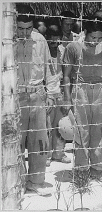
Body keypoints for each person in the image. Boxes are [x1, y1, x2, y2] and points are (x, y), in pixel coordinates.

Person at [62, 16, 102, 183]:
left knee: (100, 132)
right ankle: (81, 170)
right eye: (93, 38)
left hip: (101, 91)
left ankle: (98, 169)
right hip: (80, 91)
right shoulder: (73, 47)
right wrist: (67, 98)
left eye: (99, 38)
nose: (95, 41)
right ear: (85, 33)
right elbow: (66, 75)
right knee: (81, 131)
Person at [15, 4, 55, 196]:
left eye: (28, 28)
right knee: (15, 141)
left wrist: (52, 94)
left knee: (39, 141)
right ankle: (16, 182)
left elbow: (50, 68)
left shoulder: (40, 40)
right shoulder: (5, 41)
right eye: (20, 28)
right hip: (14, 98)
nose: (24, 32)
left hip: (38, 94)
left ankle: (36, 181)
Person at [45, 22, 71, 166]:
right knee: (47, 126)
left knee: (61, 125)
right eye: (51, 38)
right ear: (47, 38)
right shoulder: (43, 52)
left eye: (57, 38)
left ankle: (59, 153)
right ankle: (47, 154)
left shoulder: (63, 51)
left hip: (60, 93)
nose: (54, 41)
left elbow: (66, 73)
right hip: (47, 95)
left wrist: (67, 96)